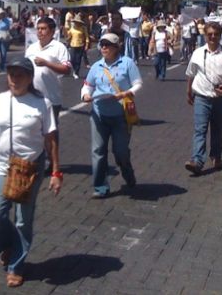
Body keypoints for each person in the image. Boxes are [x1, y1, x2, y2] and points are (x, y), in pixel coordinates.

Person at [0, 57, 62, 288]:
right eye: (11, 74)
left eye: (20, 74)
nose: (14, 79)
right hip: (3, 165)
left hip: (28, 168)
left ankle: (16, 266)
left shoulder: (41, 103)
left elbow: (50, 140)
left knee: (23, 220)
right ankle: (8, 247)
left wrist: (55, 172)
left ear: (30, 78)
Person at [81, 32, 142, 198]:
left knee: (120, 151)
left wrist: (125, 93)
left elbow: (138, 84)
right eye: (102, 44)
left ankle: (127, 172)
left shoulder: (127, 63)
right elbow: (88, 85)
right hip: (99, 114)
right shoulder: (96, 67)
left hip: (120, 114)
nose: (104, 48)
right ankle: (101, 187)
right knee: (98, 151)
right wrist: (85, 95)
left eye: (108, 45)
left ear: (116, 47)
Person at [184, 22, 222, 175]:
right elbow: (190, 74)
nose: (212, 37)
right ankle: (197, 161)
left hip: (220, 99)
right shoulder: (198, 53)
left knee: (217, 129)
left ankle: (216, 156)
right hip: (201, 98)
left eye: (215, 34)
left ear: (220, 36)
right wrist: (188, 92)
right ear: (205, 35)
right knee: (200, 129)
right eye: (209, 34)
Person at [25, 17, 71, 140]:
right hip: (31, 97)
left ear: (52, 31)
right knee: (32, 132)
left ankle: (53, 158)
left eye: (43, 29)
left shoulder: (59, 47)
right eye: (38, 29)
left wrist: (47, 64)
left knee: (50, 134)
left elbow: (67, 70)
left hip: (51, 99)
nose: (40, 31)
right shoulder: (31, 48)